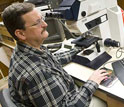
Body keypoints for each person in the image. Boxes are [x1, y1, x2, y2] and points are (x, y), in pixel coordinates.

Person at [2, 2, 109, 107]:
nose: (45, 24)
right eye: (37, 22)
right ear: (21, 33)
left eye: (42, 19)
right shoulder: (37, 73)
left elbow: (52, 60)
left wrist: (77, 49)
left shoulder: (26, 50)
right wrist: (92, 82)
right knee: (109, 101)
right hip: (70, 101)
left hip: (64, 95)